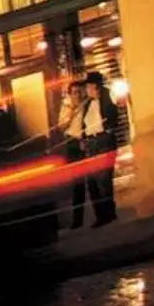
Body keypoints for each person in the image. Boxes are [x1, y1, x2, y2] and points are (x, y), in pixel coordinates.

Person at [62, 72, 118, 228]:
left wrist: (108, 131)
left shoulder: (106, 97)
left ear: (94, 86)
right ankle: (101, 215)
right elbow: (80, 124)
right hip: (91, 143)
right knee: (93, 181)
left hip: (103, 141)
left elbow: (112, 115)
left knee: (104, 180)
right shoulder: (87, 104)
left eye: (87, 86)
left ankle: (109, 214)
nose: (85, 90)